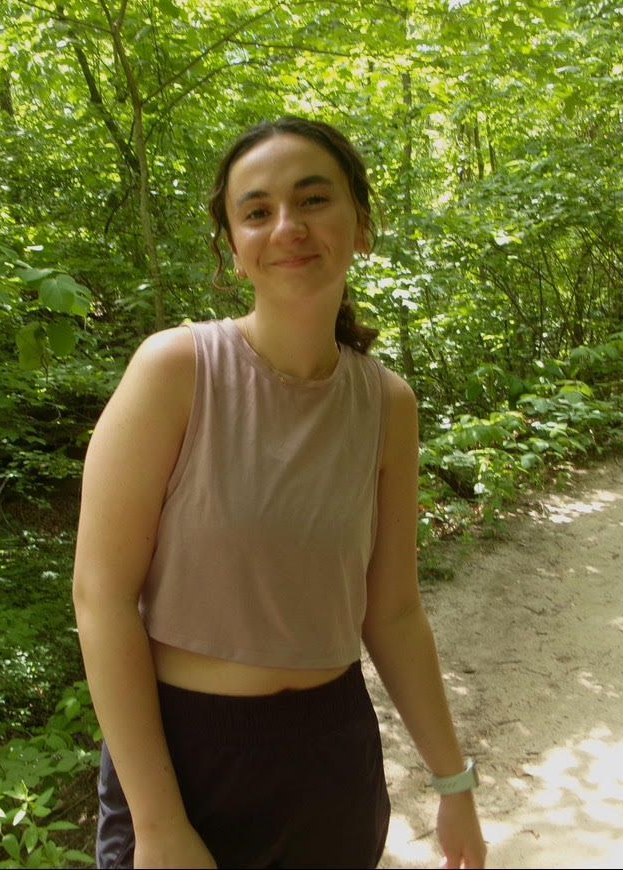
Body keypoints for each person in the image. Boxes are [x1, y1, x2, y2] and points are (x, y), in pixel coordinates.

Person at [73, 116, 487, 869]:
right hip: (186, 762)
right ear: (234, 248)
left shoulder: (386, 405)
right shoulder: (176, 370)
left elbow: (393, 611)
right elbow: (101, 597)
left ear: (361, 226)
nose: (287, 226)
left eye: (313, 199)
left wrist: (453, 782)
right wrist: (158, 827)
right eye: (257, 211)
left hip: (333, 758)